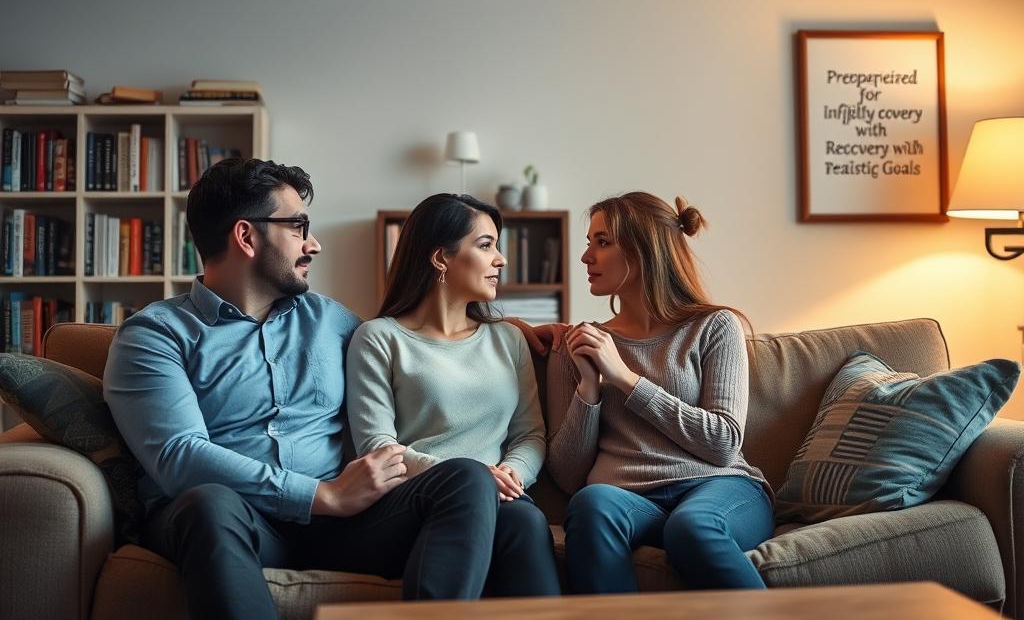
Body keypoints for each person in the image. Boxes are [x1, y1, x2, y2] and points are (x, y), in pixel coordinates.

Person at [104, 159, 507, 620]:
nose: (313, 244)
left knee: (465, 477)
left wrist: (504, 332)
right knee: (208, 503)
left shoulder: (331, 321)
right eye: (298, 227)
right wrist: (323, 496)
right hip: (235, 523)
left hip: (343, 528)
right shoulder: (155, 335)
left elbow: (415, 340)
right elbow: (179, 456)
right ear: (246, 236)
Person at [541, 191, 774, 593]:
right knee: (591, 506)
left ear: (644, 250)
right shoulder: (582, 346)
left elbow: (722, 443)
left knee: (693, 526)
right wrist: (589, 389)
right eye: (588, 242)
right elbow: (569, 476)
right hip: (627, 498)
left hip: (718, 487)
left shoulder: (715, 327)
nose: (585, 257)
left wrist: (625, 378)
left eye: (602, 242)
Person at [346, 193, 561, 597]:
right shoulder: (379, 339)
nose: (501, 259)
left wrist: (509, 479)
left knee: (526, 522)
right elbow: (376, 445)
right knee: (470, 480)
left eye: (497, 246)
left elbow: (529, 434)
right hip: (411, 504)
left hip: (498, 501)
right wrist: (476, 478)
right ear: (441, 257)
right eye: (485, 246)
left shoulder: (509, 339)